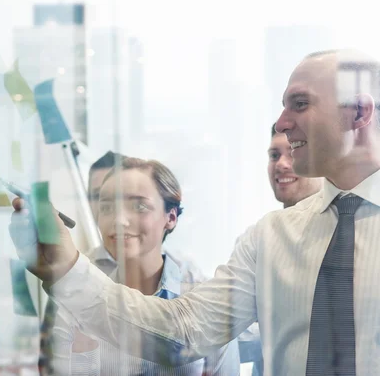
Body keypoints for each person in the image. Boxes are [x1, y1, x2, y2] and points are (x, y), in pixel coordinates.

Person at [10, 49, 380, 375]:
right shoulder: (268, 239)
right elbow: (180, 335)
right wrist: (65, 269)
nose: (281, 121)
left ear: (359, 113)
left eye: (299, 104)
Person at [51, 157, 240, 375]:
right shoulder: (78, 301)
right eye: (106, 207)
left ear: (171, 217)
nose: (119, 220)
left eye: (139, 206)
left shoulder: (206, 301)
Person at [238, 123, 324, 375]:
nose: (282, 164)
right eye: (274, 155)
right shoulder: (258, 239)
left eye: (293, 151)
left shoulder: (343, 236)